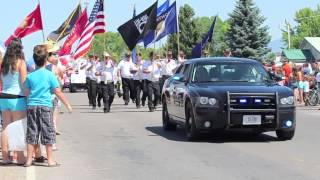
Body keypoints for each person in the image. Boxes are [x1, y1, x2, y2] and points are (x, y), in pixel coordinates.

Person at [24, 45, 72, 167]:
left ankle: (29, 160)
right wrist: (68, 105)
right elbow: (58, 91)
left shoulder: (29, 76)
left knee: (32, 133)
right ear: (46, 60)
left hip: (32, 106)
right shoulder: (49, 75)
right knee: (48, 132)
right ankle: (50, 160)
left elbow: (26, 93)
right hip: (45, 106)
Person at [0, 38, 27, 165]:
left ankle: (5, 157)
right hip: (17, 98)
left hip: (3, 96)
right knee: (18, 128)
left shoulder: (3, 63)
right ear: (19, 48)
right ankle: (19, 157)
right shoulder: (20, 62)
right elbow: (24, 82)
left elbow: (1, 82)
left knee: (5, 127)